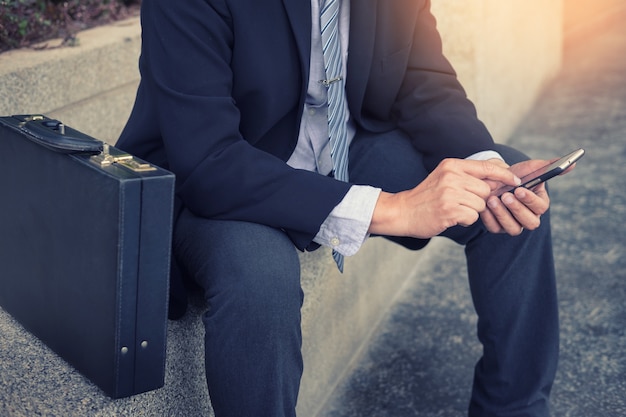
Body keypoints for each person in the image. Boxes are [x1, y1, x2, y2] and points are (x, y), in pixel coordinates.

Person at [117, 0, 562, 416]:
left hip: (345, 147)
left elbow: (422, 80)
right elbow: (209, 160)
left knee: (509, 199)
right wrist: (392, 209)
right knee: (261, 281)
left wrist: (484, 166)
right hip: (231, 175)